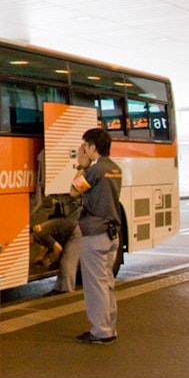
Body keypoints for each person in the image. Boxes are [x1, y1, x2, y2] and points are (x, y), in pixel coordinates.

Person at [69, 128, 122, 344]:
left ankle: (101, 332)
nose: (82, 150)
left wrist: (82, 165)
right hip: (112, 234)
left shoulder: (95, 170)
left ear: (93, 147)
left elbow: (73, 190)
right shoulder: (115, 169)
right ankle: (109, 327)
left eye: (84, 146)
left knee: (95, 286)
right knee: (107, 282)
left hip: (95, 233)